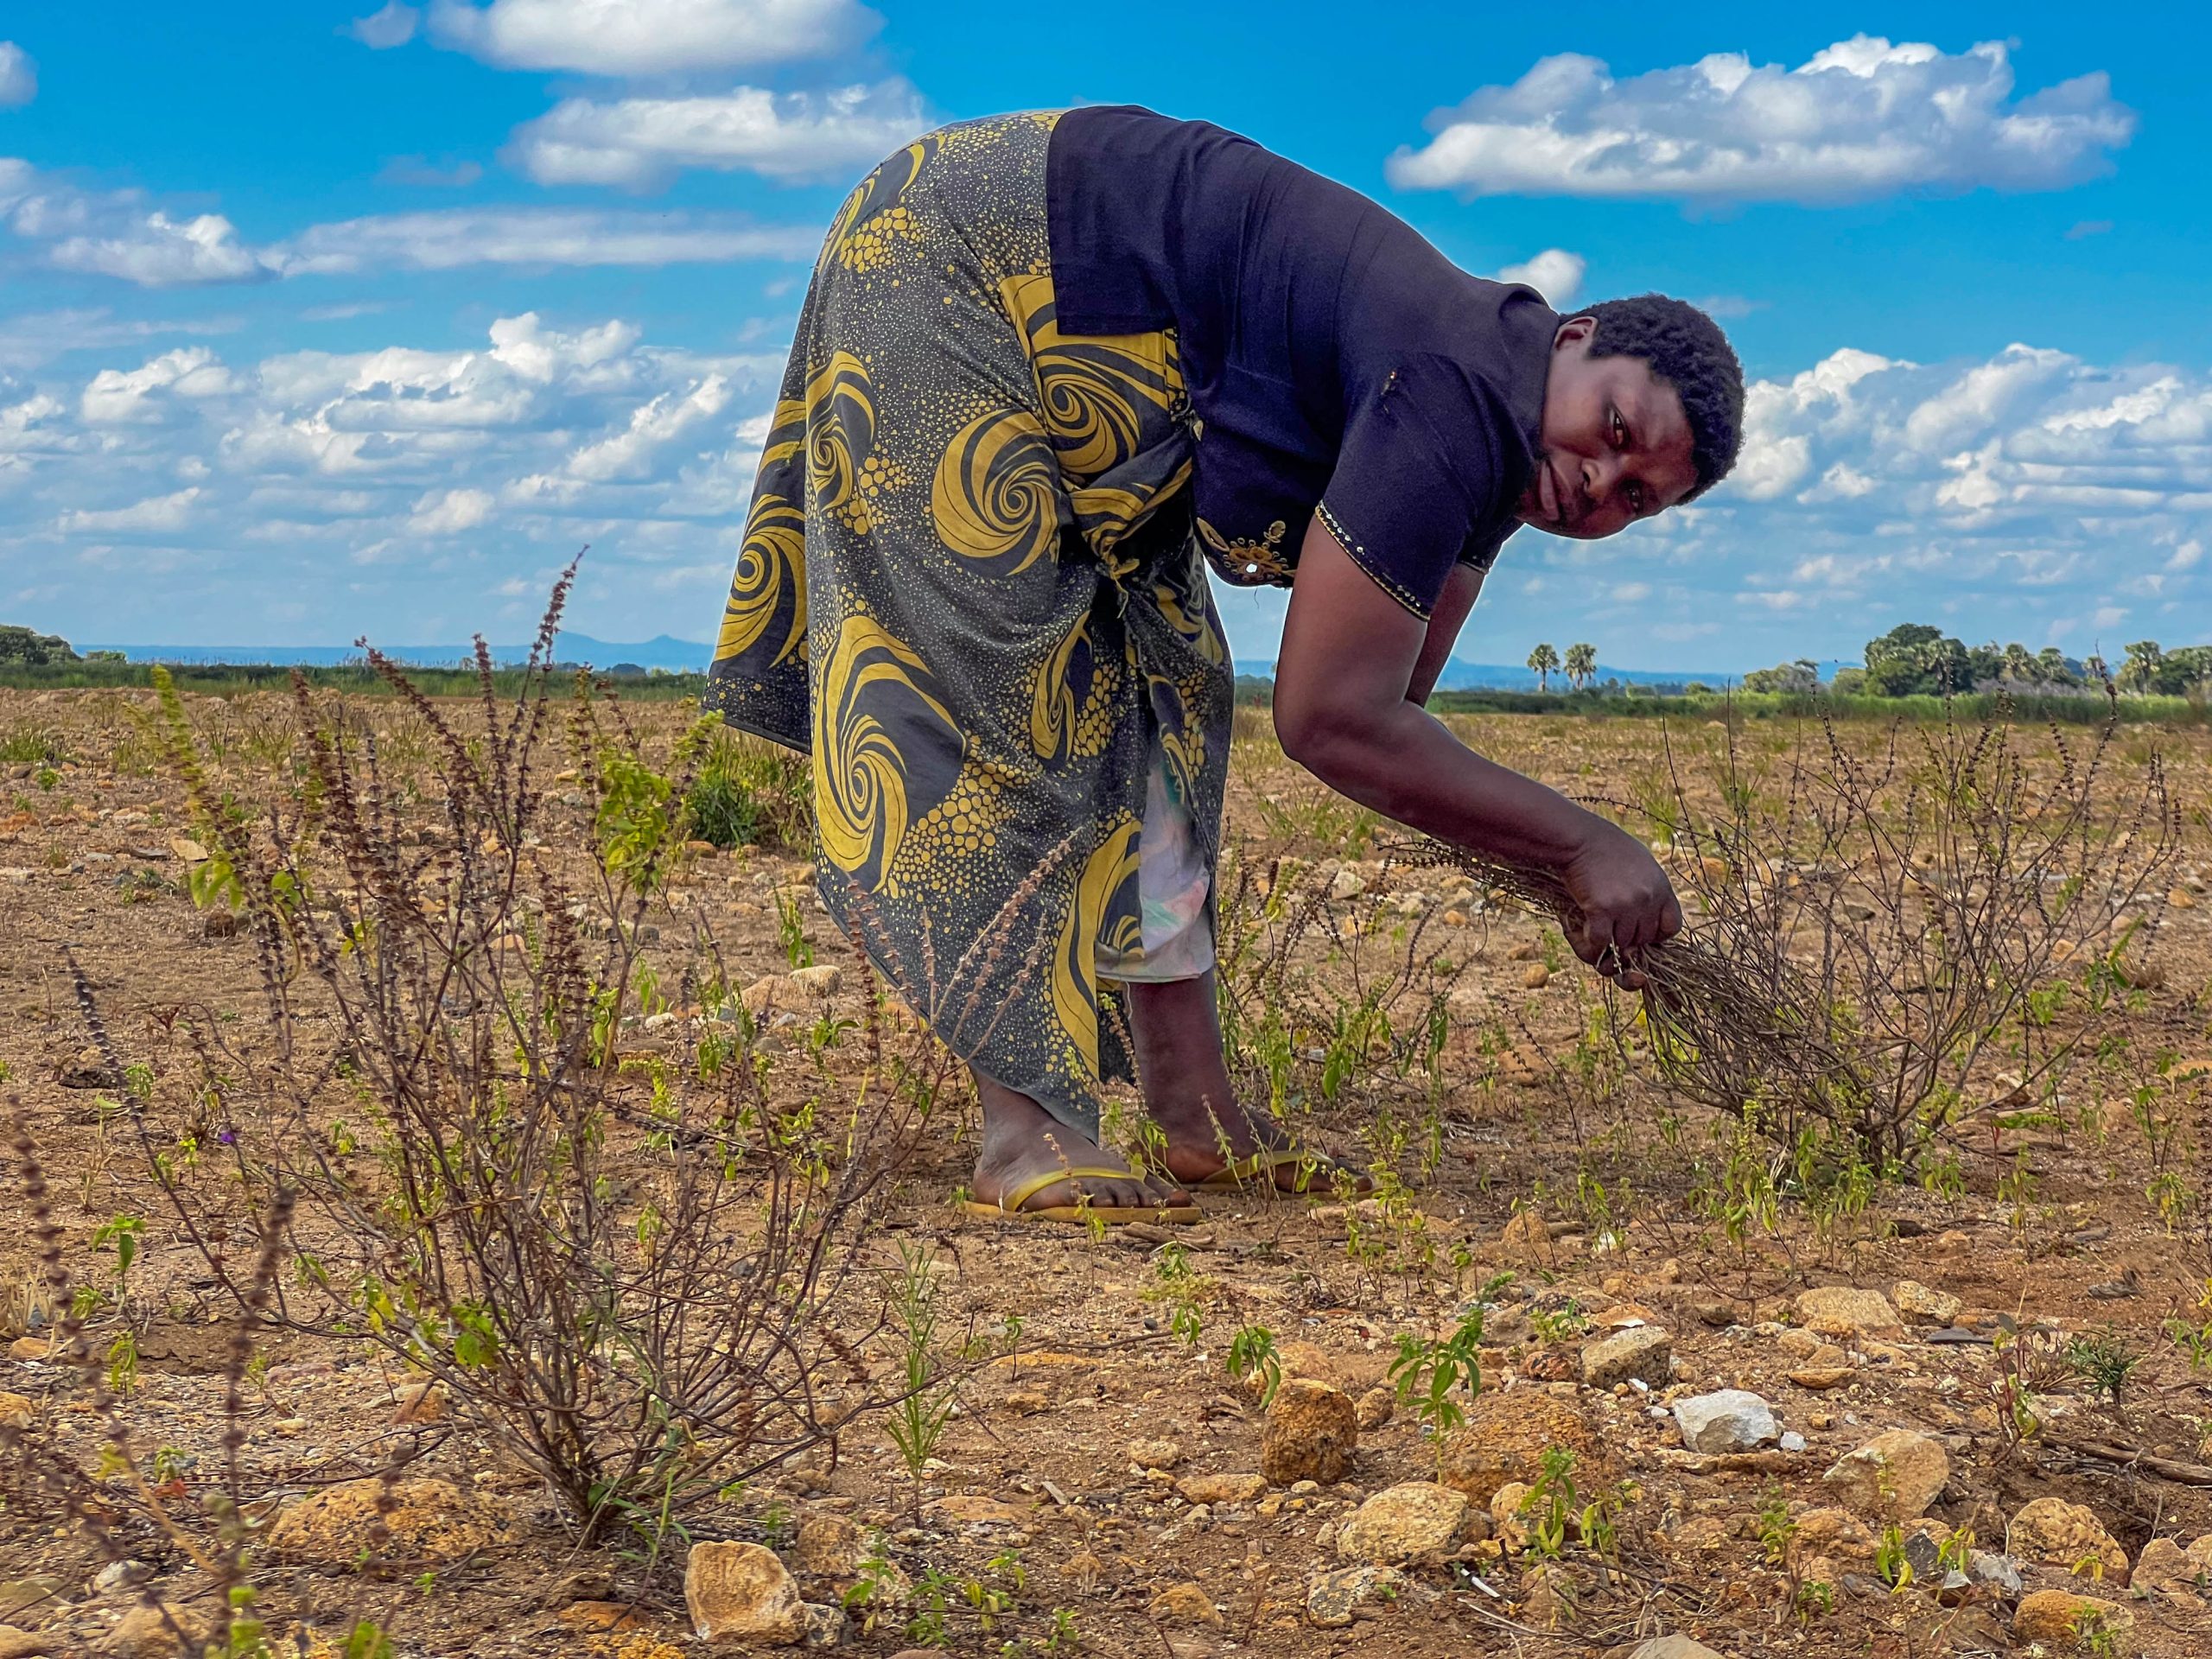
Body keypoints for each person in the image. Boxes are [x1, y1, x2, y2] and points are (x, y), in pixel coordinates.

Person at [704, 105, 1743, 1224]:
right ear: (1575, 339)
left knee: (1175, 691)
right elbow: (1334, 722)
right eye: (1617, 433)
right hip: (969, 249)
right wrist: (1586, 845)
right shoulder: (1458, 385)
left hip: (1099, 373)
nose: (1600, 481)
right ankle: (1026, 1127)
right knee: (1008, 678)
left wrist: (1560, 874)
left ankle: (1194, 1113)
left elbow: (1394, 714)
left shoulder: (1490, 453)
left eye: (1637, 498)